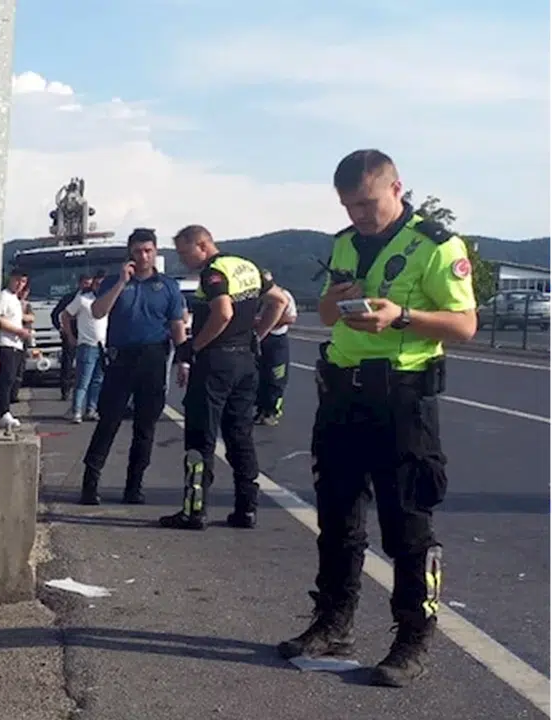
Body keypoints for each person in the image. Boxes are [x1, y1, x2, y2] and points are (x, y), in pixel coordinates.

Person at [277, 149, 477, 689]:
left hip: (402, 397)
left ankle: (412, 638)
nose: (358, 216)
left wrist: (402, 316)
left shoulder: (436, 245)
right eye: (348, 206)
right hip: (343, 394)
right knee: (337, 518)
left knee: (407, 523)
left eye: (367, 204)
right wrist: (336, 302)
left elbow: (465, 325)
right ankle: (332, 621)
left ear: (396, 188)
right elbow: (324, 313)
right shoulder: (345, 243)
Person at [161, 225, 288, 530]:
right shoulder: (249, 267)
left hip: (215, 362)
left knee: (200, 437)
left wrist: (194, 346)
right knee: (240, 436)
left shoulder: (214, 272)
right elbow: (279, 301)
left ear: (202, 245)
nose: (182, 260)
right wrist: (257, 335)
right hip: (245, 360)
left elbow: (223, 313)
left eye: (184, 252)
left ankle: (194, 511)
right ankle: (247, 509)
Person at [78, 229, 186, 505]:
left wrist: (184, 360)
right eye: (138, 251)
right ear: (130, 254)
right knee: (109, 421)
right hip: (121, 358)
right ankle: (90, 482)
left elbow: (177, 326)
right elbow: (98, 312)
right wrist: (120, 283)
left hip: (153, 357)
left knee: (145, 427)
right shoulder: (113, 282)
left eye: (148, 251)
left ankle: (134, 486)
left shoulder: (168, 286)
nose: (143, 256)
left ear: (156, 252)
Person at [60, 272, 107, 423]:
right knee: (83, 381)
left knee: (98, 380)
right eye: (97, 284)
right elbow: (65, 315)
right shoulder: (83, 299)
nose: (100, 287)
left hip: (103, 346)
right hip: (87, 345)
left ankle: (91, 409)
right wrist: (70, 336)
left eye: (103, 285)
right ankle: (76, 411)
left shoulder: (107, 300)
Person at [255, 270, 297, 426]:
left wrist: (269, 321)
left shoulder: (283, 295)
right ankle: (261, 410)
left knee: (276, 377)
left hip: (276, 340)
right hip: (259, 339)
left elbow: (291, 318)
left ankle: (272, 411)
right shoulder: (256, 297)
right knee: (259, 376)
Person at [0, 269, 31, 432]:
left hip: (16, 344)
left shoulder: (16, 299)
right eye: (17, 280)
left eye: (23, 282)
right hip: (5, 343)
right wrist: (18, 331)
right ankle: (3, 411)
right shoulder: (4, 296)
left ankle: (3, 410)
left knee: (12, 379)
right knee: (6, 378)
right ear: (10, 279)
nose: (19, 284)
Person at [51, 277, 86, 401]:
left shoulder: (93, 297)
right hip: (70, 333)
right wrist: (60, 328)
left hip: (85, 335)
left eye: (89, 283)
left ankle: (84, 390)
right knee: (67, 363)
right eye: (85, 283)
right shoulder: (69, 298)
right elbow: (55, 314)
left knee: (85, 363)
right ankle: (65, 390)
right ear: (79, 283)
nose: (87, 286)